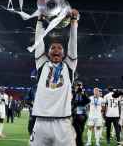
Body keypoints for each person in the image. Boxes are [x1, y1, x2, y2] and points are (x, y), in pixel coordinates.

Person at [30, 9, 79, 146]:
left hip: (63, 123)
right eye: (53, 48)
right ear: (47, 52)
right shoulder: (42, 64)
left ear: (64, 54)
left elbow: (73, 45)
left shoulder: (69, 66)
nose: (56, 50)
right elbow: (39, 42)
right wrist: (39, 22)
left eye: (59, 48)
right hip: (41, 122)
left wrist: (74, 22)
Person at [72, 81, 90, 146]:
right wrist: (76, 92)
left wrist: (83, 93)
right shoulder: (73, 93)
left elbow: (88, 101)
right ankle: (79, 143)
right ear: (75, 86)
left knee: (81, 131)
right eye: (78, 85)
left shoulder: (83, 93)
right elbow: (72, 102)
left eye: (80, 85)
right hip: (75, 115)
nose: (79, 87)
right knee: (78, 131)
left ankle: (77, 142)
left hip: (83, 115)